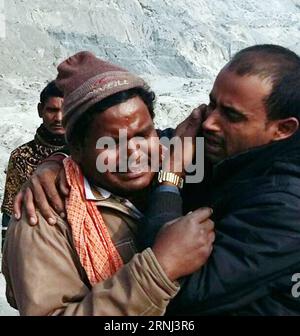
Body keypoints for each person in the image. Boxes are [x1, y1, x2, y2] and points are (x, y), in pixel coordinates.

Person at [14, 44, 300, 315]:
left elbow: (187, 296)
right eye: (210, 105)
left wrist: (170, 178)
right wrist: (52, 163)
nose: (210, 122)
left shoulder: (285, 202)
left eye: (232, 116)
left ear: (283, 129)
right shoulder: (47, 217)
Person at [2, 51, 215, 316]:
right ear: (77, 149)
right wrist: (159, 268)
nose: (134, 154)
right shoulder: (45, 220)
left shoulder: (179, 162)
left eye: (142, 135)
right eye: (112, 143)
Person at [0, 81, 66, 250]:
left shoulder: (84, 154)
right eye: (52, 110)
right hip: (34, 246)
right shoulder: (21, 157)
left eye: (64, 110)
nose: (58, 118)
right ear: (40, 110)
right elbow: (10, 212)